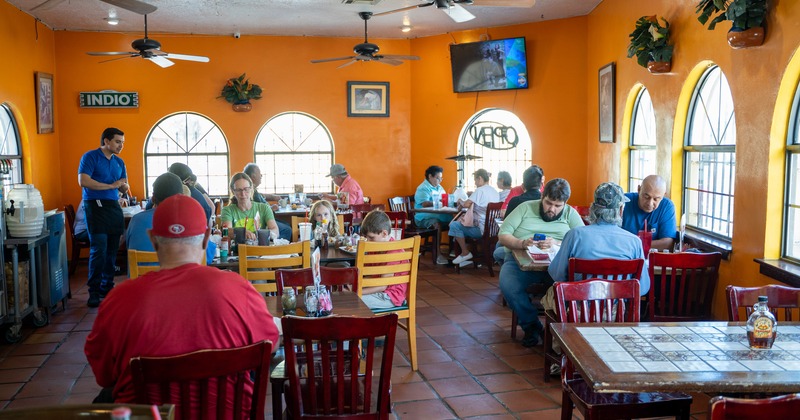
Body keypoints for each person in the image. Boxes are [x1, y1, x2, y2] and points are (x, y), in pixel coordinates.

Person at [84, 194, 279, 409]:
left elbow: (104, 375)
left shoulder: (119, 300)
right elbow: (270, 345)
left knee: (103, 399)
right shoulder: (240, 289)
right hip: (228, 414)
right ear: (206, 238)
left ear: (153, 239)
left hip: (150, 414)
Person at [497, 178, 583, 347]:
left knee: (573, 287)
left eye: (558, 206)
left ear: (565, 203)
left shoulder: (570, 213)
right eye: (548, 203)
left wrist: (557, 244)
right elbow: (503, 234)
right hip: (520, 261)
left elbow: (581, 241)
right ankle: (532, 327)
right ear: (542, 196)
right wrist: (521, 243)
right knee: (509, 285)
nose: (552, 209)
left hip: (556, 265)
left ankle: (560, 334)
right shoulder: (525, 208)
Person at [548, 182, 650, 311]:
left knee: (550, 295)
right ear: (620, 210)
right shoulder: (634, 242)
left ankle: (552, 330)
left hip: (579, 312)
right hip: (616, 313)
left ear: (593, 208)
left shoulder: (575, 235)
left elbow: (558, 275)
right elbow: (643, 287)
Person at [78, 127, 129, 308]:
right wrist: (111, 186)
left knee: (112, 250)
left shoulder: (119, 162)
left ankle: (107, 287)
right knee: (98, 250)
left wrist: (123, 187)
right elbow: (83, 181)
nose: (121, 145)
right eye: (117, 141)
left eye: (122, 142)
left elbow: (123, 184)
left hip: (113, 207)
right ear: (106, 141)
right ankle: (93, 291)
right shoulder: (90, 157)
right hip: (95, 205)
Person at [126, 172, 215, 264]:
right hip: (182, 277)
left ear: (153, 199)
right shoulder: (191, 219)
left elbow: (129, 247)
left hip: (142, 276)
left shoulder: (136, 220)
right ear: (182, 197)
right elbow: (207, 257)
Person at [493, 165, 545, 264]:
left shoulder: (516, 201)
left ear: (523, 184)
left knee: (497, 250)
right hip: (544, 244)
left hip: (520, 243)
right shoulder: (547, 202)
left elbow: (506, 224)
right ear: (541, 184)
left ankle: (511, 265)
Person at [358, 210, 408, 310]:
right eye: (366, 238)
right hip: (378, 291)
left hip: (390, 297)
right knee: (347, 299)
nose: (368, 241)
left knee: (350, 301)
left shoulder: (394, 253)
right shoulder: (376, 248)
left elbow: (382, 286)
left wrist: (356, 290)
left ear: (384, 234)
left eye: (371, 238)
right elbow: (369, 276)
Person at [450, 169, 500, 267]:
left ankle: (465, 252)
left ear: (480, 178)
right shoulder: (494, 191)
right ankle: (465, 257)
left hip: (482, 230)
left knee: (454, 225)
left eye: (475, 180)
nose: (475, 183)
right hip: (493, 230)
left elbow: (466, 204)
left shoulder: (480, 190)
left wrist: (460, 201)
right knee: (460, 225)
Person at [621, 175, 677, 252]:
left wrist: (631, 245)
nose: (650, 204)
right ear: (639, 189)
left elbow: (667, 243)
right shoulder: (623, 202)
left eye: (656, 199)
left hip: (652, 258)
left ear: (663, 195)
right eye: (646, 197)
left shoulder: (667, 206)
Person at [221, 172, 280, 241]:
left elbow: (275, 230)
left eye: (246, 189)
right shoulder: (227, 210)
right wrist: (242, 232)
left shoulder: (264, 208)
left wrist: (265, 234)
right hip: (238, 250)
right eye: (239, 190)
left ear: (251, 188)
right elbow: (227, 231)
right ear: (233, 191)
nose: (243, 194)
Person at [413, 165, 452, 263]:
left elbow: (443, 198)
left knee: (455, 222)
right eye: (438, 178)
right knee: (436, 224)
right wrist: (439, 202)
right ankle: (438, 254)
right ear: (430, 176)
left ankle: (453, 251)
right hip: (423, 217)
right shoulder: (423, 188)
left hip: (437, 214)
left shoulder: (439, 187)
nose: (440, 180)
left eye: (441, 178)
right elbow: (425, 203)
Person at [243, 163, 292, 241]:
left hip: (268, 216)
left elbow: (261, 195)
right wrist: (271, 208)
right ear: (253, 176)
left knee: (287, 224)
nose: (261, 176)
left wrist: (272, 196)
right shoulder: (250, 193)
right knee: (287, 230)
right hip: (263, 220)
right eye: (260, 174)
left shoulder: (254, 190)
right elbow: (256, 210)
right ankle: (275, 247)